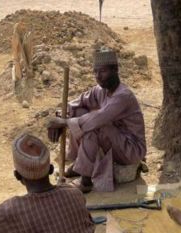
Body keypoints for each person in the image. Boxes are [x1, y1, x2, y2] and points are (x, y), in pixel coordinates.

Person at [47, 47, 147, 193]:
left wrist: (64, 123)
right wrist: (60, 117)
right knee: (79, 112)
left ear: (115, 70)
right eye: (95, 72)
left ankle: (86, 180)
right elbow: (76, 104)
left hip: (131, 149)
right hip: (115, 140)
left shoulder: (123, 96)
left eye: (103, 71)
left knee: (95, 126)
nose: (98, 76)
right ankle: (77, 165)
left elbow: (98, 119)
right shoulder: (100, 90)